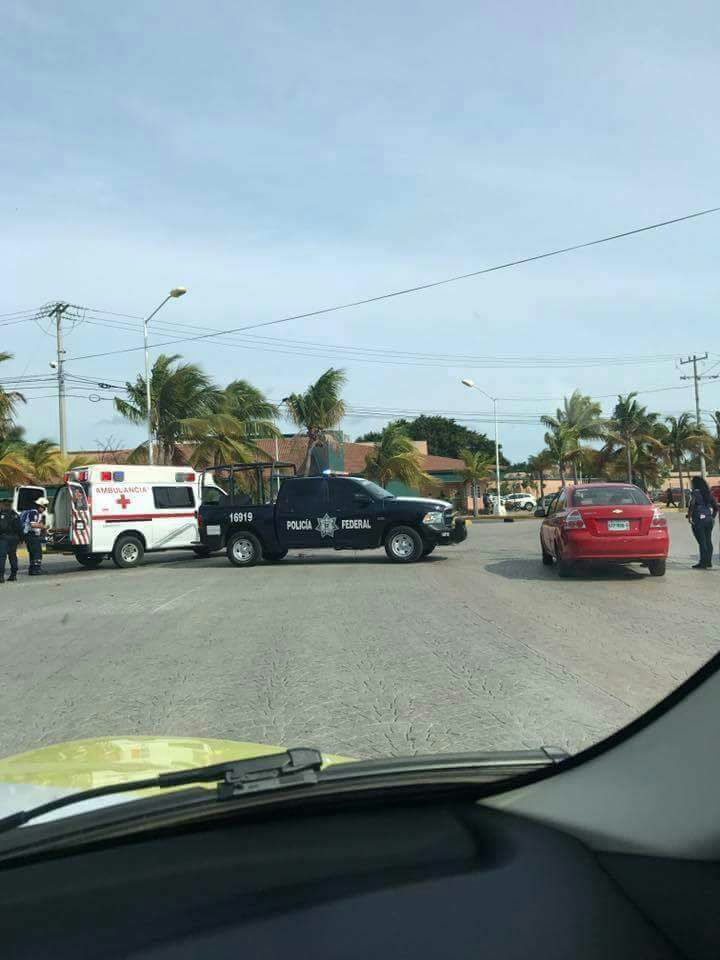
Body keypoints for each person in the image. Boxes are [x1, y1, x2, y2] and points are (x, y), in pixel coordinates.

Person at [687, 476, 718, 570]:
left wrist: (689, 516)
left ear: (695, 484)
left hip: (698, 520)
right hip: (708, 519)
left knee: (702, 542)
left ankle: (702, 563)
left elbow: (692, 504)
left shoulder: (695, 493)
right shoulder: (708, 493)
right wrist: (712, 517)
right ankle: (708, 562)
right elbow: (716, 507)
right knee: (708, 541)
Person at [20, 496, 49, 576]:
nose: (45, 509)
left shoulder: (32, 512)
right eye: (44, 507)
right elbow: (33, 525)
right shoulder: (34, 513)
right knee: (37, 552)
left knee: (32, 553)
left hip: (29, 535)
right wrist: (44, 527)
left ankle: (32, 570)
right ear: (40, 506)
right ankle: (36, 570)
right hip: (31, 535)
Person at [0, 499, 23, 583]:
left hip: (3, 538)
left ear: (3, 505)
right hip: (14, 539)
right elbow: (20, 528)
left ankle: (1, 576)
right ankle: (13, 575)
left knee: (2, 557)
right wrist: (21, 539)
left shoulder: (1, 514)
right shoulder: (15, 515)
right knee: (13, 556)